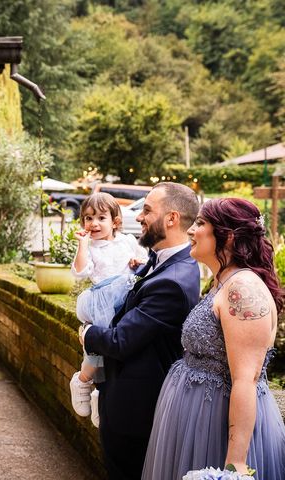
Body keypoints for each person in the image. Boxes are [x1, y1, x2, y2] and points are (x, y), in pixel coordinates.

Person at [142, 198, 285, 480]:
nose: (191, 231)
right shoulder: (222, 281)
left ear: (228, 236)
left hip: (215, 426)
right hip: (193, 419)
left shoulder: (242, 289)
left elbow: (246, 379)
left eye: (201, 223)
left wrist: (234, 466)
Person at [79, 182, 201, 480]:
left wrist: (87, 333)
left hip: (135, 407)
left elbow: (121, 340)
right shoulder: (161, 261)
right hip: (126, 397)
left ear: (171, 218)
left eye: (147, 210)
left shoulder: (173, 280)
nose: (140, 217)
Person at [69, 192, 148, 428]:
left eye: (101, 218)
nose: (94, 223)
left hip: (125, 297)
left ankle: (100, 393)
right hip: (101, 297)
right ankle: (83, 380)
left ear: (115, 221)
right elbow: (80, 271)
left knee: (118, 349)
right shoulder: (90, 247)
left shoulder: (127, 241)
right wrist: (82, 245)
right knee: (98, 343)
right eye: (88, 218)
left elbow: (143, 260)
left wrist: (136, 262)